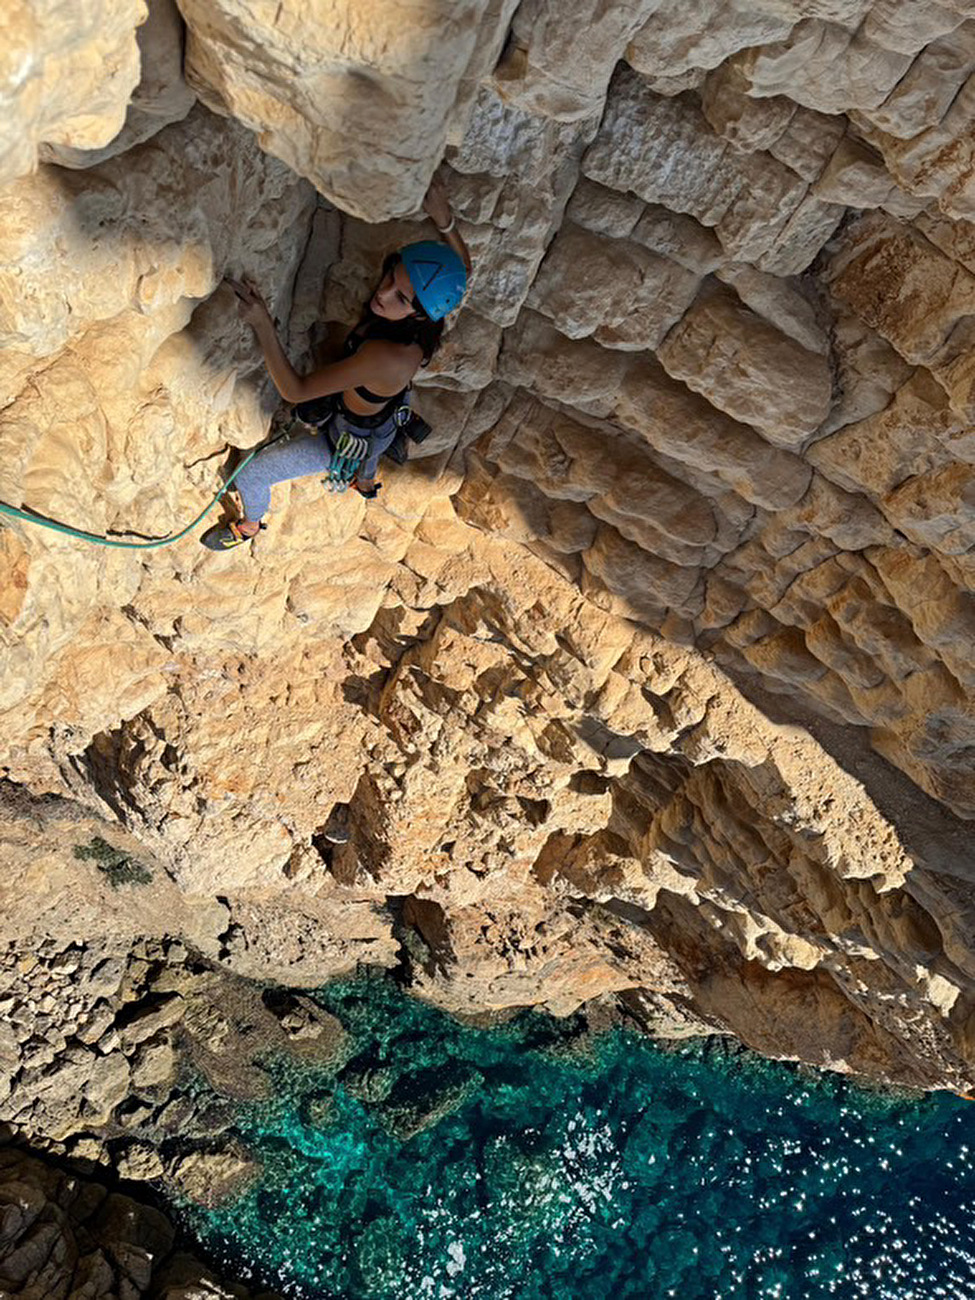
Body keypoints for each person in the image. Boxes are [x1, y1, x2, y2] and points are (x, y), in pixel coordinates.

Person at [201, 176, 471, 551]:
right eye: (391, 276)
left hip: (341, 440)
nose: (383, 293)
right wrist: (445, 221)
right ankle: (364, 481)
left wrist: (262, 322)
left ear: (420, 314)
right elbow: (461, 271)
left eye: (400, 298)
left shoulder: (384, 357)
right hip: (383, 417)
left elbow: (294, 390)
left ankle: (248, 526)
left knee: (254, 475)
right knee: (373, 450)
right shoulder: (430, 317)